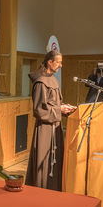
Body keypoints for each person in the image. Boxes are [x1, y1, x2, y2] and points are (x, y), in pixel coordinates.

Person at [25, 50, 76, 191]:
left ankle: (53, 189)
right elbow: (39, 110)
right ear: (50, 62)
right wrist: (59, 110)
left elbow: (54, 104)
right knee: (44, 161)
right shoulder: (41, 82)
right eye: (58, 62)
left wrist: (63, 107)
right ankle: (41, 191)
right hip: (45, 129)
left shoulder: (53, 80)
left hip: (56, 126)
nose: (60, 65)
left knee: (55, 160)